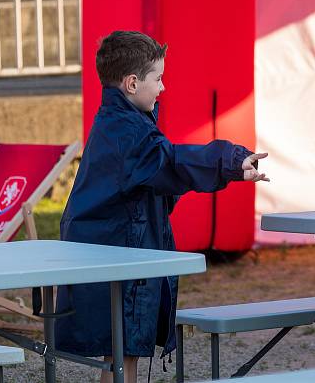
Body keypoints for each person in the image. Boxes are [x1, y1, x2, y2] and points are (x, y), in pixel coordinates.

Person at [54, 31, 269, 383]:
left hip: (117, 253)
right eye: (158, 78)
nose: (163, 87)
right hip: (120, 258)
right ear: (132, 83)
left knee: (124, 354)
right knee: (123, 355)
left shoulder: (123, 122)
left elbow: (161, 176)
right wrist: (229, 161)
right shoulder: (127, 132)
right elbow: (169, 162)